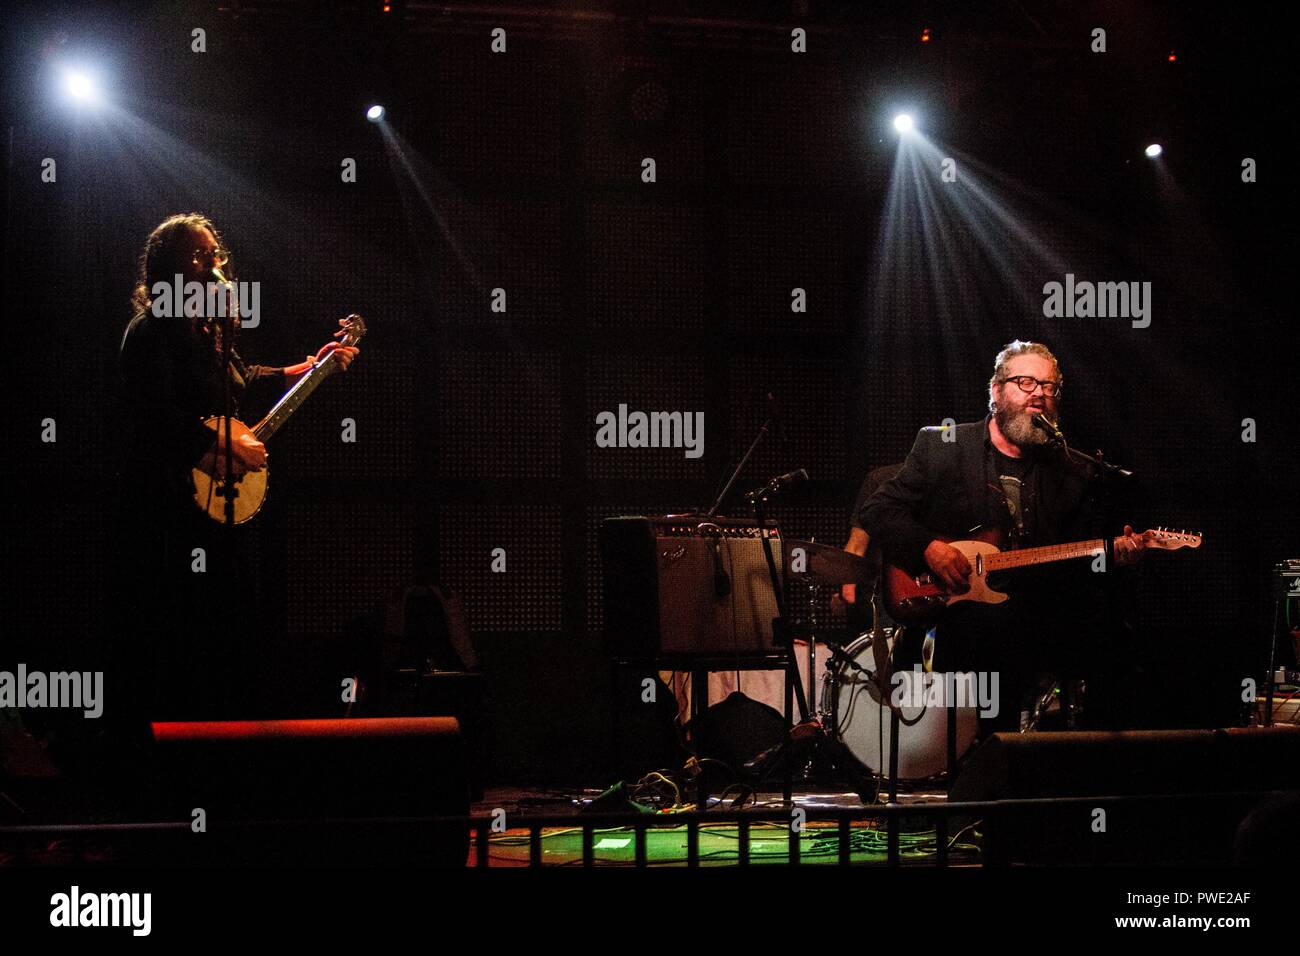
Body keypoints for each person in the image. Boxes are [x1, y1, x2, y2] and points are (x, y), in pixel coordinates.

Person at [110, 213, 358, 720]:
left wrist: (309, 367)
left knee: (233, 621)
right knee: (180, 627)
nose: (212, 265)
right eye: (197, 256)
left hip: (217, 513)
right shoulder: (150, 330)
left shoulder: (211, 336)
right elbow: (151, 413)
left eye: (213, 255)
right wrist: (223, 442)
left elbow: (243, 381)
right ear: (169, 271)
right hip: (168, 509)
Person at [860, 340, 1147, 733]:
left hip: (1038, 606)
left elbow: (1073, 561)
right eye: (1025, 382)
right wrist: (929, 549)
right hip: (957, 611)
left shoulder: (1070, 469)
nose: (1039, 395)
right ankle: (986, 762)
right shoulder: (944, 446)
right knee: (991, 633)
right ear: (996, 392)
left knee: (1117, 638)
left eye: (1048, 387)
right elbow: (877, 511)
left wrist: (1111, 554)